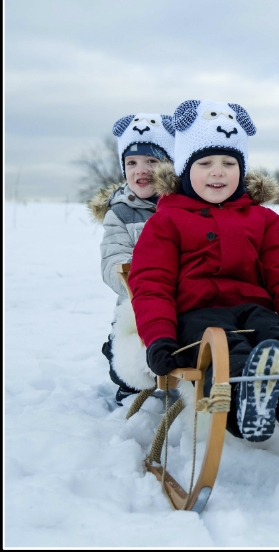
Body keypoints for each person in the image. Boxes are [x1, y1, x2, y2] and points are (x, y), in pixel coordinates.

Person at [128, 99, 279, 448]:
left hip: (255, 310)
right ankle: (244, 408)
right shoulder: (166, 221)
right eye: (205, 163)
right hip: (197, 317)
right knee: (228, 351)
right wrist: (159, 336)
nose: (218, 172)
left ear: (242, 169)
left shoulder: (262, 219)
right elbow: (152, 283)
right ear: (183, 171)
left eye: (229, 162)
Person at [88, 112, 175, 405]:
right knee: (129, 354)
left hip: (184, 300)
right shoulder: (121, 213)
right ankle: (128, 382)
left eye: (152, 161)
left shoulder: (182, 207)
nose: (141, 170)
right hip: (137, 305)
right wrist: (142, 283)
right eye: (131, 163)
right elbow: (113, 260)